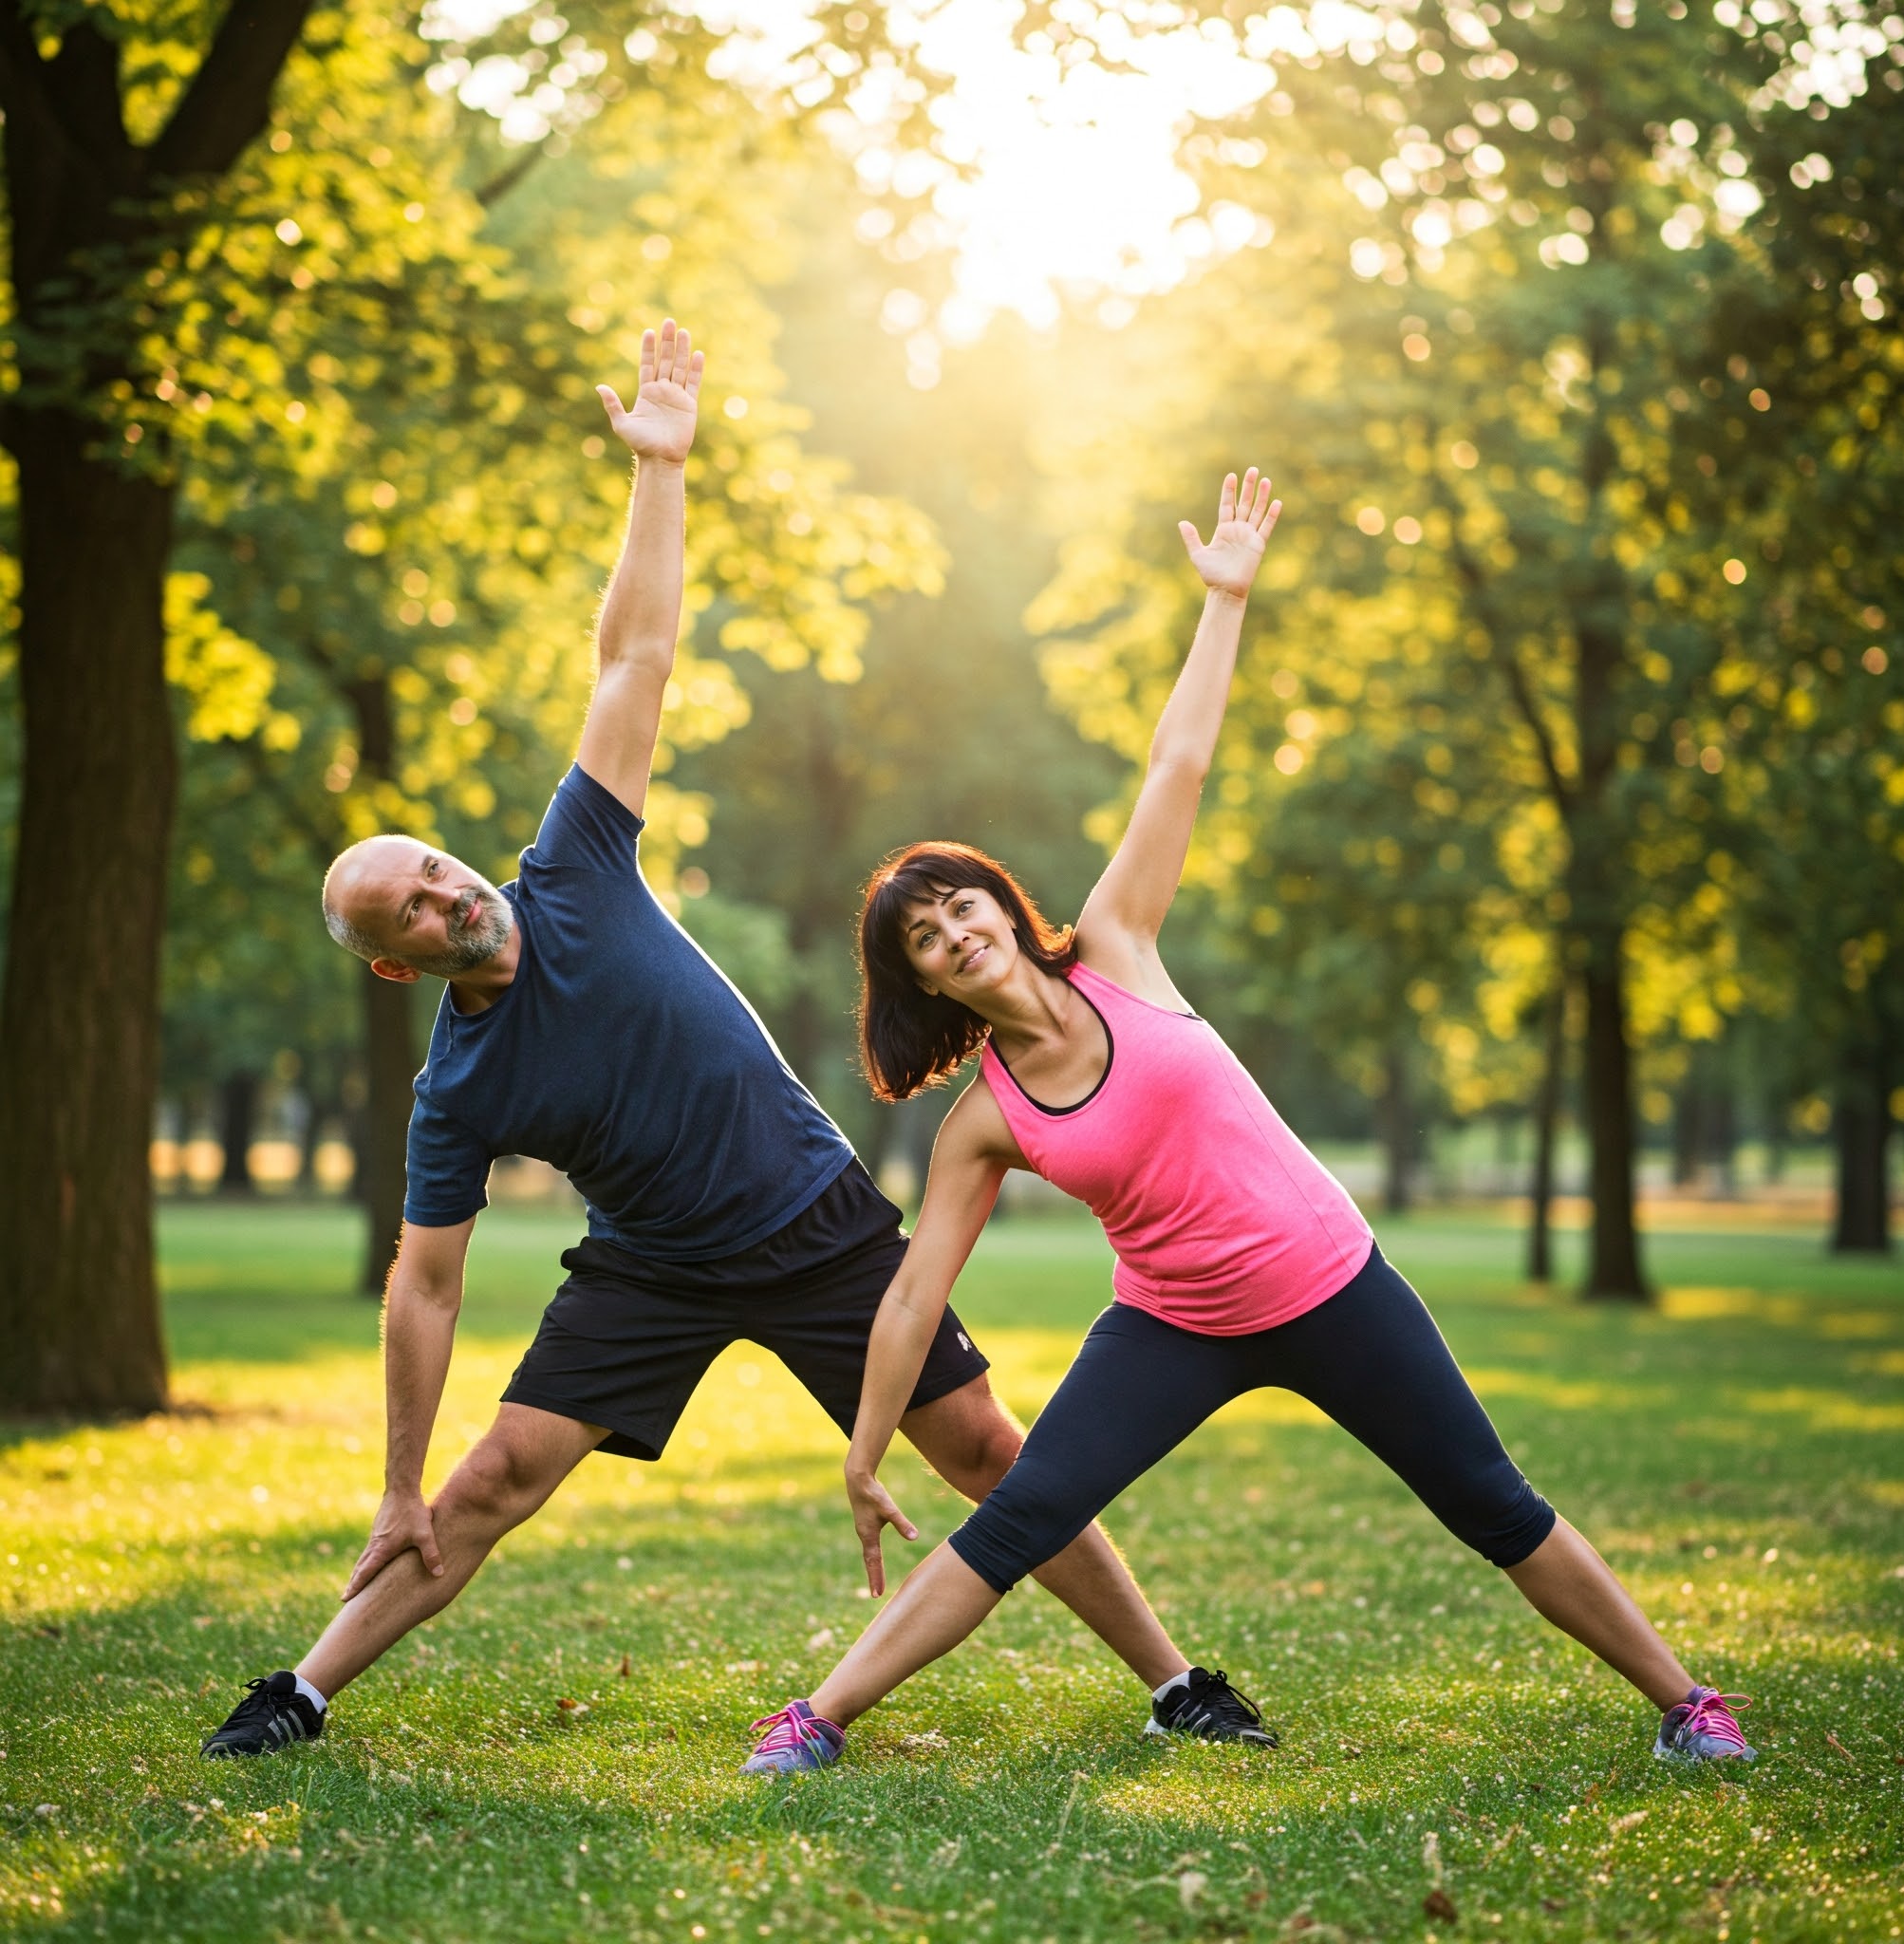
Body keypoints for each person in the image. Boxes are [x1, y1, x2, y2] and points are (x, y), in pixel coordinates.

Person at [199, 317, 1246, 1763]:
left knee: (990, 1455)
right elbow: (424, 1287)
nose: (452, 895)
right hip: (654, 1267)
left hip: (815, 1221)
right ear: (399, 967)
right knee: (498, 1475)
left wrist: (663, 469)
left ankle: (1176, 1682)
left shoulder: (571, 862)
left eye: (438, 866)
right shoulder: (457, 1084)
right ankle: (301, 1692)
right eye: (418, 913)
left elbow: (637, 654)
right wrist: (395, 1483)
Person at [739, 468, 1756, 1775]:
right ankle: (815, 1720)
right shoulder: (983, 1122)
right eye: (925, 940)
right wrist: (868, 1452)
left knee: (1491, 1505)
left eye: (960, 908)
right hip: (1174, 1324)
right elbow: (911, 1296)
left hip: (1333, 1284)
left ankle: (1688, 1703)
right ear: (925, 983)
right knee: (1022, 1517)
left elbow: (1183, 761)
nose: (954, 936)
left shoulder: (1119, 945)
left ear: (1000, 903)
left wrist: (1223, 601)